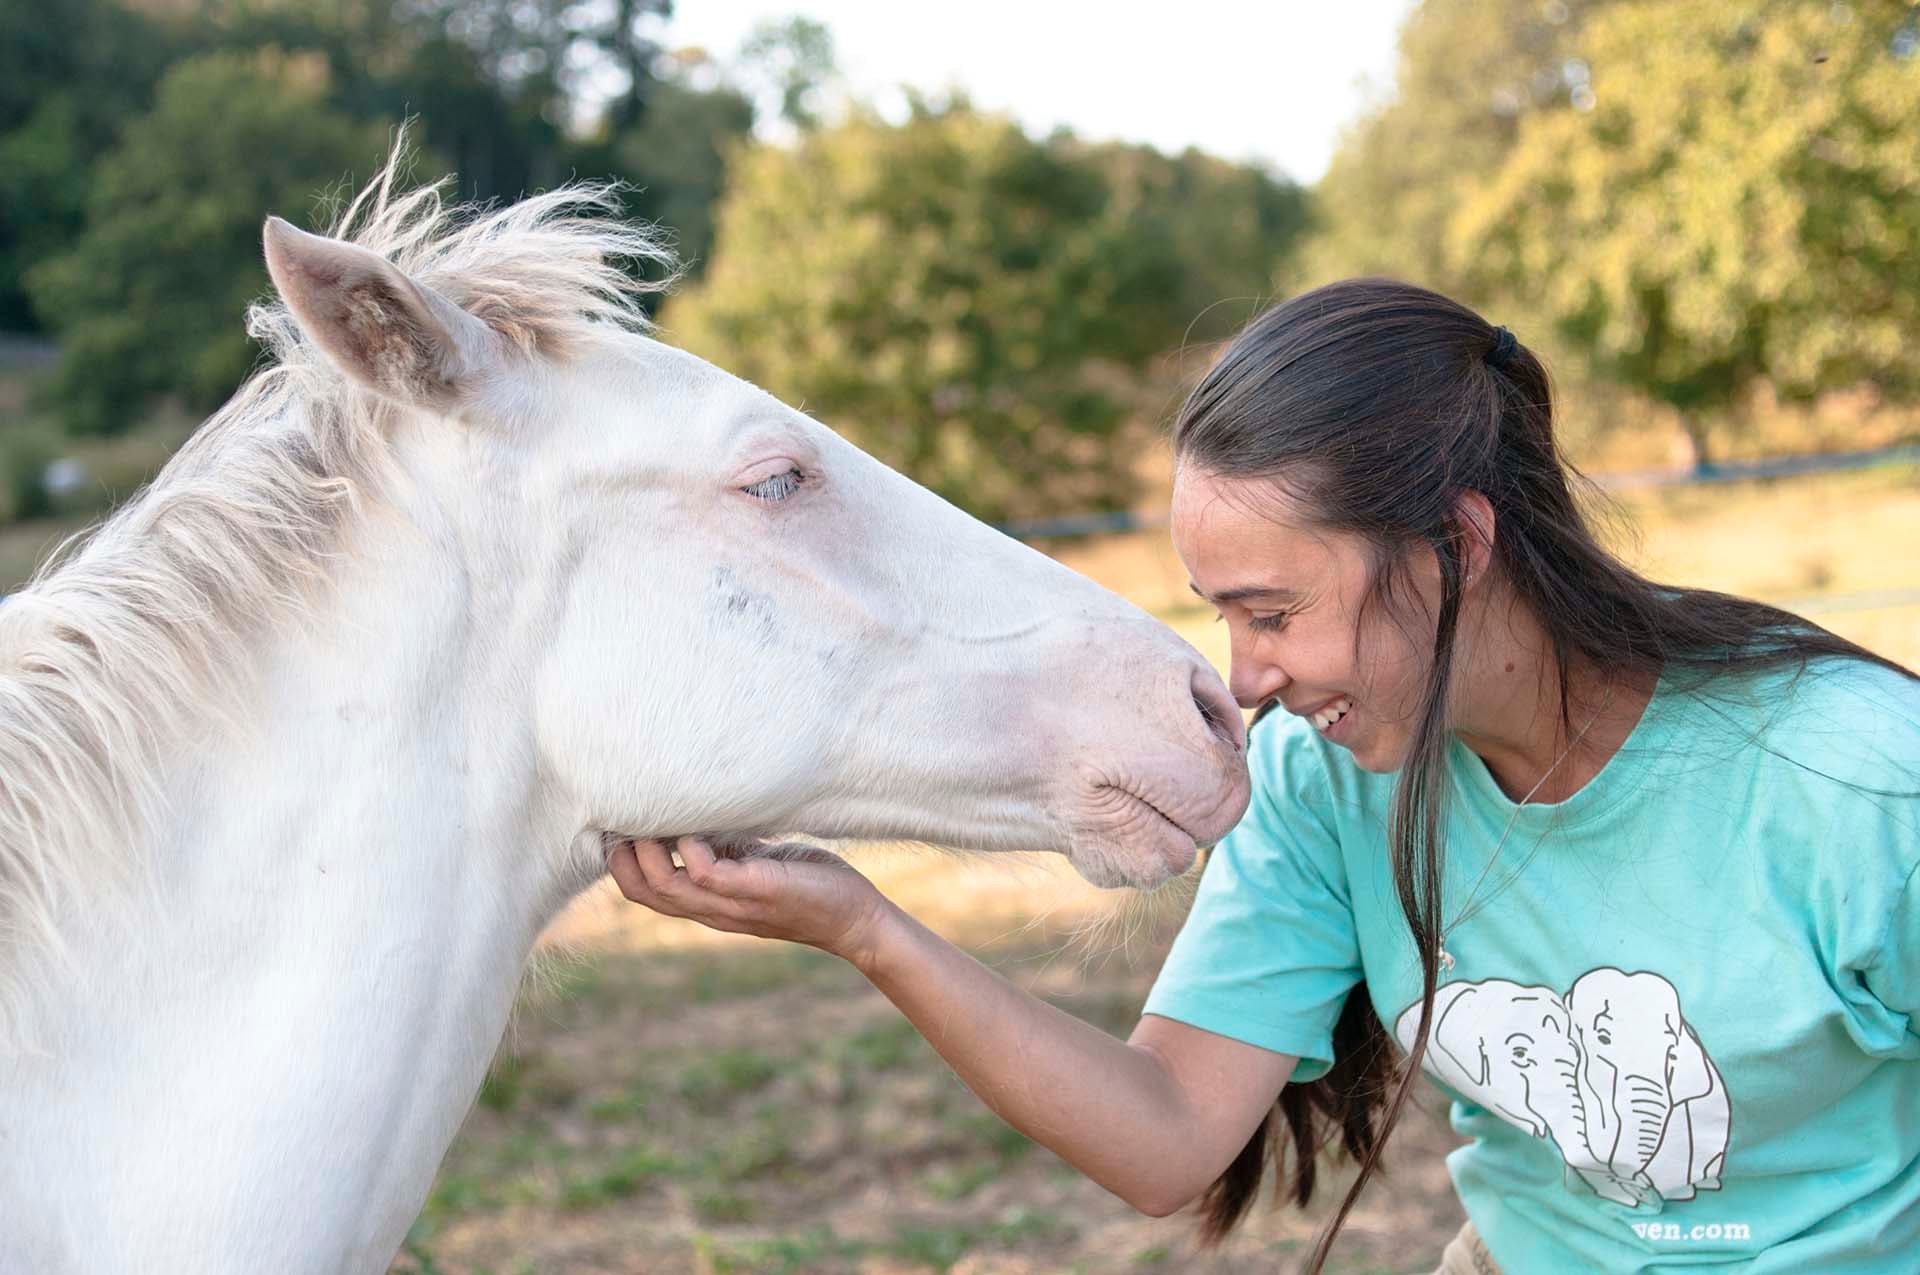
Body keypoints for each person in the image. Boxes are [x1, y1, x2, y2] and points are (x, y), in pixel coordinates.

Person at [607, 278, 1920, 1274]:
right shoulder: (1324, 782)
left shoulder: (1856, 785)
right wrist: (864, 928)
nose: (1243, 678)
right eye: (1222, 617)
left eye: (1273, 613)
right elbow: (1168, 1134)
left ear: (1457, 548)